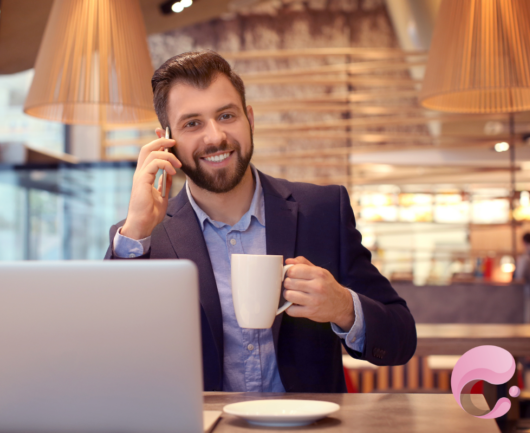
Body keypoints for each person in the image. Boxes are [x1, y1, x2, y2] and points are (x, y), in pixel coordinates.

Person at [105, 51, 416, 393]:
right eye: (192, 123)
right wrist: (136, 229)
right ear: (166, 140)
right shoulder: (145, 236)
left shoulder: (324, 211)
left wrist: (342, 306)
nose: (215, 137)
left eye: (226, 115)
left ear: (249, 119)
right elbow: (109, 356)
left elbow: (401, 339)